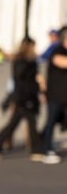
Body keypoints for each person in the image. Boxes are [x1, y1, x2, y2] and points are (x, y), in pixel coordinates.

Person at [0, 37, 42, 161]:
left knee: (19, 123)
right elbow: (23, 81)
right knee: (18, 124)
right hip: (25, 98)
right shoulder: (25, 62)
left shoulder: (21, 60)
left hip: (22, 96)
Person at [38, 26, 67, 164]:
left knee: (57, 121)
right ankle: (47, 149)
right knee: (51, 121)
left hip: (64, 96)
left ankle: (41, 141)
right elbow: (62, 62)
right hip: (55, 95)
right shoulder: (57, 50)